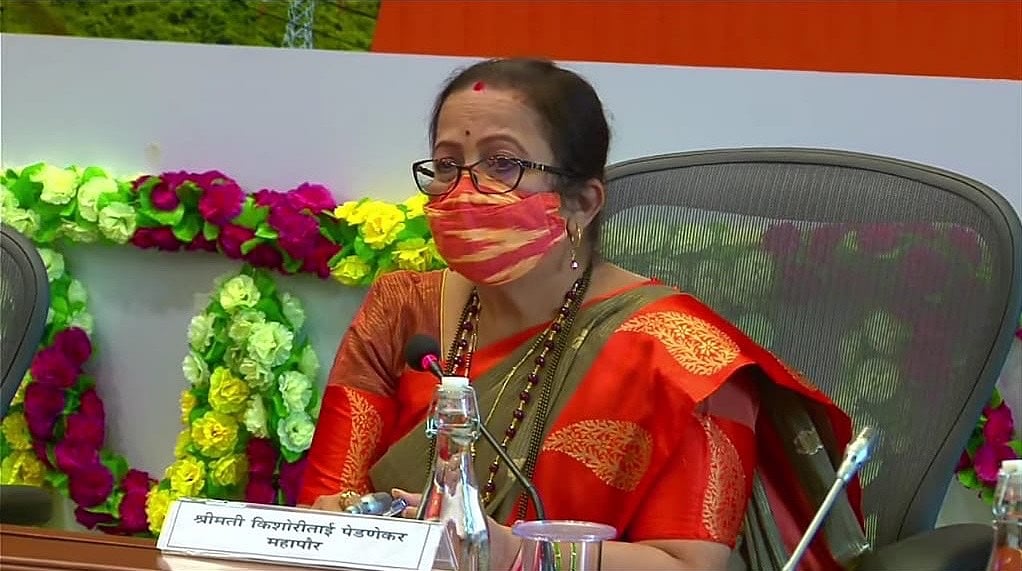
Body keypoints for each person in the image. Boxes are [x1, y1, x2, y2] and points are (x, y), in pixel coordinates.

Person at [299, 58, 867, 571]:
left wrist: (520, 555)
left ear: (582, 202)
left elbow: (691, 565)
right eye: (448, 165)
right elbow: (324, 509)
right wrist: (342, 520)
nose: (464, 191)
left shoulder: (680, 356)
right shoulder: (402, 312)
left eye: (502, 163)